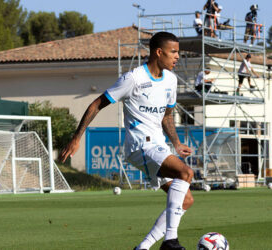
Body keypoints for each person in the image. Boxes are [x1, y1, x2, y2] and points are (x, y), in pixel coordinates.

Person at [60, 32, 194, 250]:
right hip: (140, 146)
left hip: (158, 146)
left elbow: (167, 116)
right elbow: (96, 104)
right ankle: (170, 241)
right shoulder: (133, 78)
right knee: (186, 173)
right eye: (174, 52)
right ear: (159, 53)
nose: (177, 56)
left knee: (185, 200)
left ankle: (143, 247)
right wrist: (77, 137)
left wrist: (177, 144)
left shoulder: (171, 80)